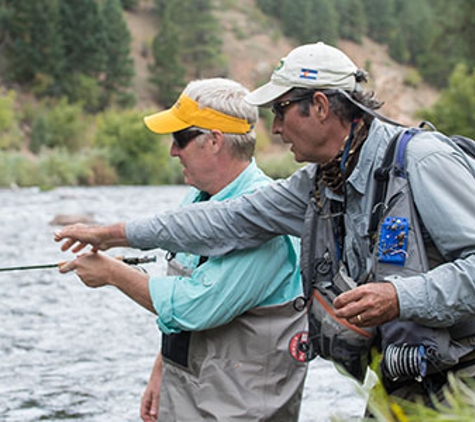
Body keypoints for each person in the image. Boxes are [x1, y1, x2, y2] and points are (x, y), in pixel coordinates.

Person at [55, 42, 475, 406]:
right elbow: (221, 220)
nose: (273, 127)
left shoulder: (424, 160)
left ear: (321, 107)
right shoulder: (315, 185)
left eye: (281, 110)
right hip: (407, 377)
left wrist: (398, 297)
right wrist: (111, 234)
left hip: (466, 372)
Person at [57, 78, 308, 421]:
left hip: (241, 410)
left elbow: (197, 305)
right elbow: (179, 311)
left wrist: (113, 273)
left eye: (180, 138)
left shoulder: (268, 223)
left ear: (215, 141)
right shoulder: (196, 196)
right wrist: (161, 369)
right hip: (190, 396)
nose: (173, 151)